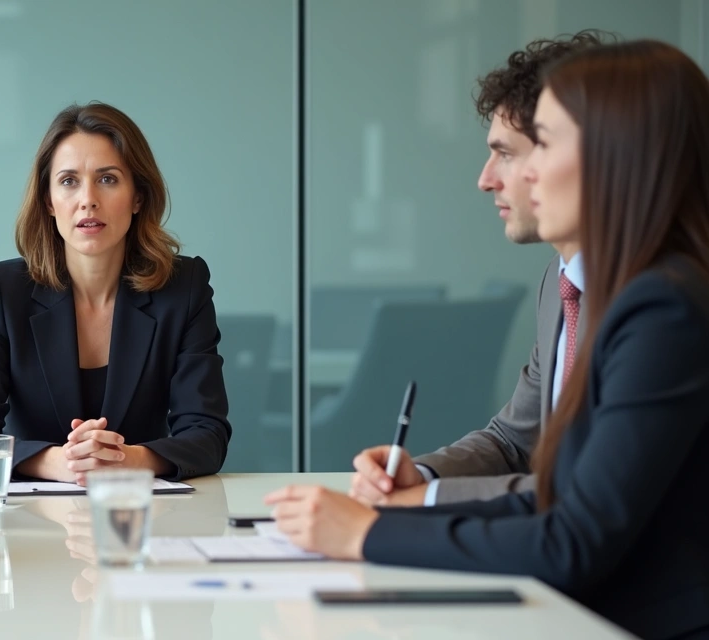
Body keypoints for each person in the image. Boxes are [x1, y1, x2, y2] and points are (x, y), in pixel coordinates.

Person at [266, 40, 709, 640]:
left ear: (617, 156)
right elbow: (554, 495)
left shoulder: (664, 307)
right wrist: (398, 509)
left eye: (542, 145)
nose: (519, 174)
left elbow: (573, 537)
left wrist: (366, 533)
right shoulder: (617, 288)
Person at [349, 31, 607, 507]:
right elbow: (514, 441)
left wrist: (423, 502)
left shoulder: (654, 297)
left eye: (506, 153)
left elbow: (585, 493)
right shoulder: (561, 281)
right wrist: (421, 473)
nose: (486, 179)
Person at [0, 102, 231, 484]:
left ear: (138, 197)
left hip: (140, 518)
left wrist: (128, 459)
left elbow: (207, 435)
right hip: (30, 528)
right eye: (68, 181)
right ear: (48, 201)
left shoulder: (183, 288)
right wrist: (58, 462)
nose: (88, 199)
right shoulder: (1, 290)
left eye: (108, 179)